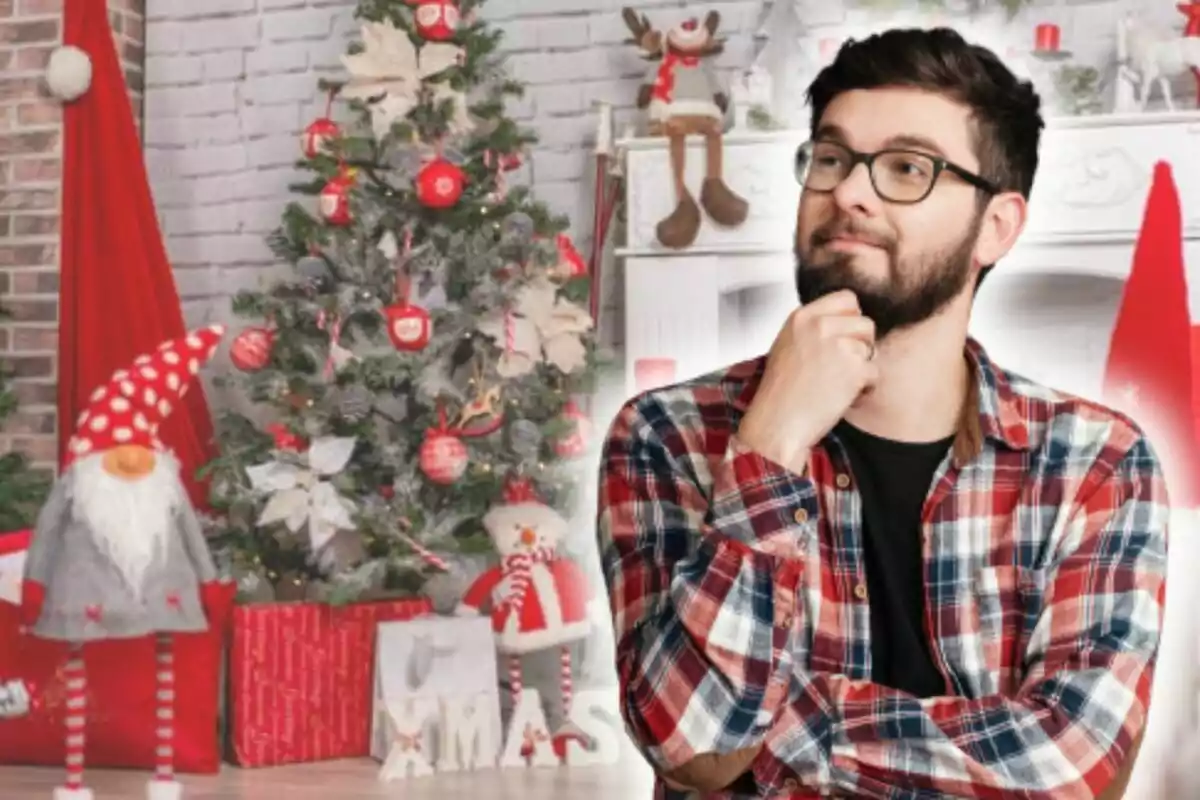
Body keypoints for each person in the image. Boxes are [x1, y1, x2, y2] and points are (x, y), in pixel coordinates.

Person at [596, 27, 1168, 799]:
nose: (850, 193)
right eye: (831, 158)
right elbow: (693, 746)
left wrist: (787, 720)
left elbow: (1074, 767)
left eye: (907, 167)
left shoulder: (1095, 460)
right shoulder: (666, 435)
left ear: (996, 227)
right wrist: (771, 443)